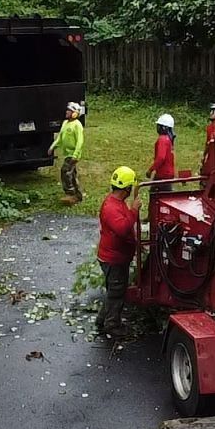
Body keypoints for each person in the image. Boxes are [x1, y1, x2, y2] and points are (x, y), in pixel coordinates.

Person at [96, 166, 141, 334]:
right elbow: (122, 229)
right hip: (113, 259)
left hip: (117, 256)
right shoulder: (111, 208)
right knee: (116, 293)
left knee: (113, 291)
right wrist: (134, 210)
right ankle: (112, 325)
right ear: (127, 188)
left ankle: (102, 320)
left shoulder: (117, 203)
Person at [48, 102, 85, 204]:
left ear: (75, 113)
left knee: (65, 171)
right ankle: (78, 194)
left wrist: (75, 155)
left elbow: (80, 141)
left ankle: (70, 193)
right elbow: (60, 138)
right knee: (72, 173)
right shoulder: (65, 123)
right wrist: (52, 147)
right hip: (67, 154)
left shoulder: (77, 125)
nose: (67, 112)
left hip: (73, 155)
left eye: (69, 111)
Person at [146, 113, 176, 180]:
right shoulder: (168, 139)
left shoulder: (162, 139)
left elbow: (161, 158)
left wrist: (151, 170)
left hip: (162, 175)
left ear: (163, 127)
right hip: (169, 173)